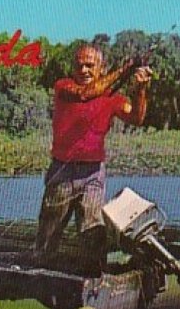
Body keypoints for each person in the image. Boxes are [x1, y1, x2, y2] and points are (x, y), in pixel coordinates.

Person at [32, 44, 152, 275]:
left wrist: (140, 89)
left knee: (93, 231)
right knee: (48, 237)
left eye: (90, 65)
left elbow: (136, 118)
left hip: (93, 174)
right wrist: (126, 68)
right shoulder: (64, 87)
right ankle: (39, 273)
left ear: (101, 68)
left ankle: (93, 281)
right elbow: (86, 94)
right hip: (62, 173)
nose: (84, 70)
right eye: (80, 66)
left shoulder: (112, 98)